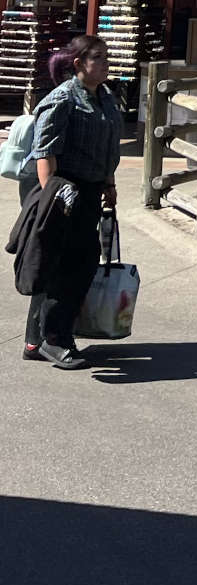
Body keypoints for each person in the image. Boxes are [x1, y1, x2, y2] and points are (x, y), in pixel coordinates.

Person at [20, 34, 120, 369]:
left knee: (68, 265)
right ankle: (55, 340)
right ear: (79, 64)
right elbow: (44, 152)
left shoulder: (104, 96)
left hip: (90, 189)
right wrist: (53, 200)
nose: (107, 63)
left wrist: (108, 181)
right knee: (71, 267)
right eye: (100, 58)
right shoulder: (62, 99)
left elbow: (107, 144)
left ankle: (37, 341)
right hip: (64, 193)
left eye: (107, 57)